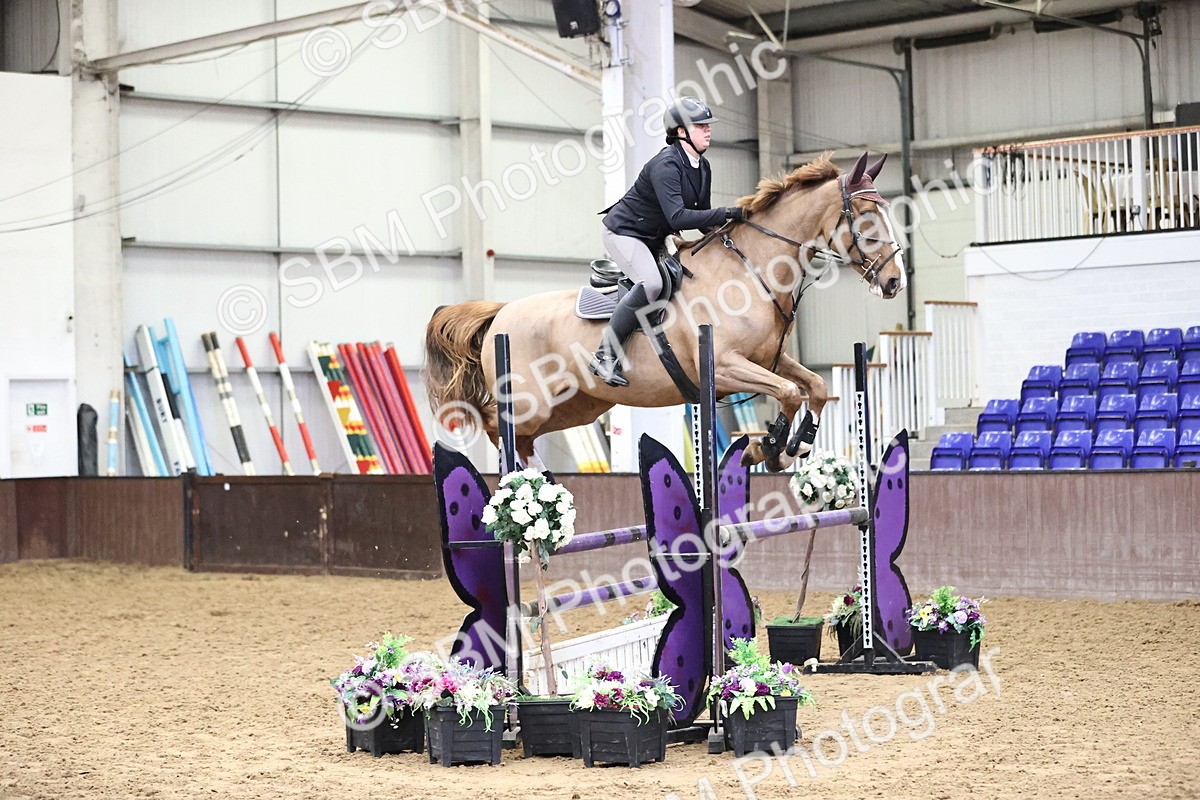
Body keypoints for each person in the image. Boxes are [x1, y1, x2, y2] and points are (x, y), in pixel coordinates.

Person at [588, 96, 745, 388]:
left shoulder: (702, 166)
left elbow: (702, 218)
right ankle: (605, 355)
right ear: (681, 131)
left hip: (655, 237)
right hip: (625, 233)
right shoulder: (666, 164)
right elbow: (678, 217)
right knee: (652, 284)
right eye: (700, 126)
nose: (708, 130)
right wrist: (726, 212)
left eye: (708, 125)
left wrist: (734, 231)